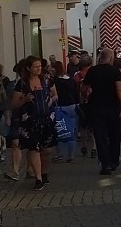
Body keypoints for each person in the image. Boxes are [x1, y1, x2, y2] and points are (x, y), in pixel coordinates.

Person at [9, 56, 59, 191]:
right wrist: (24, 99)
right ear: (28, 68)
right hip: (30, 121)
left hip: (47, 119)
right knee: (33, 149)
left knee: (47, 150)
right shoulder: (22, 83)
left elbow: (55, 95)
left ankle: (44, 172)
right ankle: (38, 179)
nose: (39, 69)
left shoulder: (47, 80)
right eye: (36, 66)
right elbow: (13, 104)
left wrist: (52, 99)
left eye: (40, 66)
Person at [80, 48, 121, 175]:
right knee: (114, 135)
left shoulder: (92, 70)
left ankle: (105, 164)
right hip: (113, 107)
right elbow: (119, 89)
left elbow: (84, 88)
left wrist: (86, 97)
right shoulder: (115, 71)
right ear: (111, 58)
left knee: (100, 137)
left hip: (96, 107)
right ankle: (114, 161)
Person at [51, 61, 79, 163]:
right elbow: (76, 93)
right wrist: (77, 103)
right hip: (71, 106)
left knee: (58, 130)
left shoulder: (54, 81)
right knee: (71, 131)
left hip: (59, 108)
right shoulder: (71, 80)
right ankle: (71, 156)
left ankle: (59, 154)